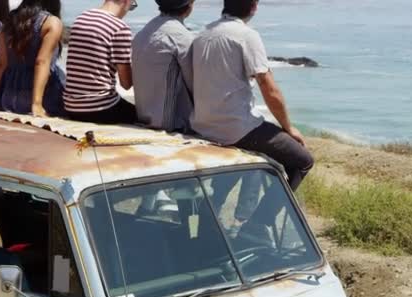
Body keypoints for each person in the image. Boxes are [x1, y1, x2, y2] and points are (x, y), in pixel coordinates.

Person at [191, 0, 314, 223]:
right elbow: (269, 88)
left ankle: (210, 224)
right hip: (235, 127)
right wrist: (289, 127)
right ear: (254, 7)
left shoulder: (202, 35)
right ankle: (257, 227)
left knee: (233, 172)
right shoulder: (246, 35)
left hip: (202, 124)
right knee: (302, 160)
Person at [63, 0, 137, 124]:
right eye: (132, 6)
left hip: (71, 107)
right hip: (101, 108)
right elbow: (126, 84)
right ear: (126, 1)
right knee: (143, 116)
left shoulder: (81, 18)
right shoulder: (119, 27)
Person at [0, 0, 64, 117]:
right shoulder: (51, 22)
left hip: (7, 98)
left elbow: (2, 64)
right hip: (41, 98)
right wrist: (36, 104)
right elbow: (41, 62)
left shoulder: (10, 20)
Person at [132, 0, 195, 132]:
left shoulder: (146, 29)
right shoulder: (181, 36)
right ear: (189, 6)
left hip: (143, 114)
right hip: (169, 123)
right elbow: (195, 84)